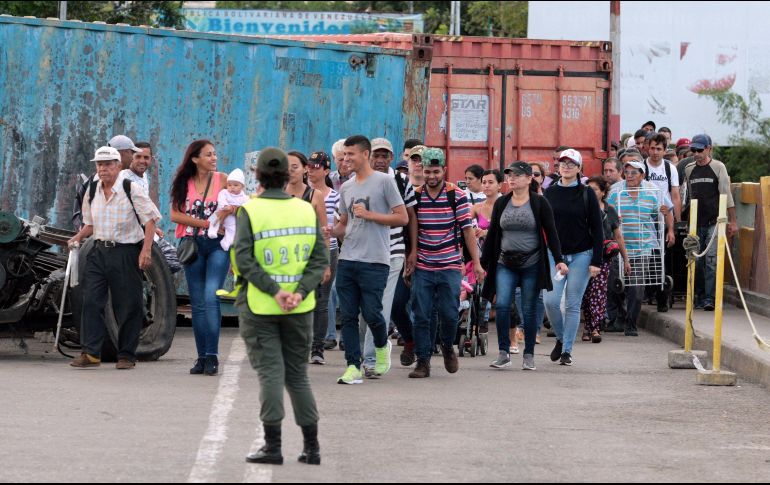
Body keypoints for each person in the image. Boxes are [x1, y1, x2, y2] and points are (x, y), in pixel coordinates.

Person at [234, 147, 328, 466]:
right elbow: (320, 260)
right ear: (287, 175)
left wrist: (275, 292)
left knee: (271, 374)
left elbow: (243, 259)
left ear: (258, 175)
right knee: (298, 376)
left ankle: (272, 446)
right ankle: (312, 448)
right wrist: (298, 292)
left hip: (261, 307)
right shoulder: (305, 210)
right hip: (300, 308)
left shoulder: (250, 210)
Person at [68, 146, 160, 370]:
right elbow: (90, 224)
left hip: (126, 252)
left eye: (108, 164)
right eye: (99, 165)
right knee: (91, 301)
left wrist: (146, 250)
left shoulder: (130, 188)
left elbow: (150, 220)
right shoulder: (92, 189)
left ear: (119, 166)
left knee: (128, 304)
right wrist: (77, 237)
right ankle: (91, 353)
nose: (103, 169)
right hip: (99, 251)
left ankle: (126, 355)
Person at [333, 135, 408, 385]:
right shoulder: (346, 187)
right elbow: (344, 224)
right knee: (348, 316)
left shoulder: (385, 182)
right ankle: (353, 366)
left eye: (350, 154)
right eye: (344, 155)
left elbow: (402, 218)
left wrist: (370, 215)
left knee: (372, 313)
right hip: (347, 258)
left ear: (365, 154)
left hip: (375, 259)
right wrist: (331, 231)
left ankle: (381, 345)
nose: (345, 159)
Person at [407, 148, 484, 379]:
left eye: (436, 172)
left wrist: (476, 263)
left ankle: (448, 346)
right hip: (423, 265)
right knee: (421, 314)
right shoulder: (416, 195)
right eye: (427, 172)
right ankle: (423, 361)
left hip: (449, 264)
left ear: (444, 170)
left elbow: (467, 231)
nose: (431, 176)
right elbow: (411, 228)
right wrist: (411, 255)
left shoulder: (456, 195)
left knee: (449, 313)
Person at [481, 161, 566, 371]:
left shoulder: (539, 203)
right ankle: (504, 353)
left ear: (529, 179)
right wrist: (480, 264)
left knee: (528, 308)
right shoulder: (502, 203)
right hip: (505, 262)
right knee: (502, 305)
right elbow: (493, 235)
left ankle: (529, 354)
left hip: (532, 262)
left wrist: (559, 259)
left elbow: (552, 233)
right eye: (509, 175)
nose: (512, 179)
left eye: (517, 175)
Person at [171, 140, 233, 376]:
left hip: (218, 245)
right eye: (208, 155)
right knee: (196, 304)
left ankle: (212, 355)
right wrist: (206, 223)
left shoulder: (223, 179)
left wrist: (230, 211)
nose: (214, 158)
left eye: (214, 154)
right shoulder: (183, 182)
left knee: (210, 297)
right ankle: (201, 357)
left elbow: (240, 203)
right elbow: (175, 215)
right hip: (192, 245)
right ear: (195, 159)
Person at [358, 138, 418, 377]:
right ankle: (371, 350)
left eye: (385, 156)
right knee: (365, 308)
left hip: (393, 251)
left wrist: (412, 251)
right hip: (364, 252)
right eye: (376, 155)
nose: (380, 160)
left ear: (392, 158)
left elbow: (411, 217)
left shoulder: (401, 181)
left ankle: (371, 359)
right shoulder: (359, 180)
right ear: (368, 156)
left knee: (381, 307)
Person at [543, 149, 604, 367]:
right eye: (563, 163)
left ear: (579, 168)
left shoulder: (587, 193)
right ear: (558, 166)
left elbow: (597, 229)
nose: (566, 167)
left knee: (572, 304)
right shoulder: (549, 192)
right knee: (550, 301)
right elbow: (543, 226)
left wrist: (597, 261)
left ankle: (567, 350)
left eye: (571, 163)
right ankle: (561, 338)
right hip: (554, 254)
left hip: (582, 254)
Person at [608, 157, 675, 336]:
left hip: (643, 246)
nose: (629, 176)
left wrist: (670, 228)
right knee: (615, 285)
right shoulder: (615, 191)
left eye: (633, 173)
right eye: (627, 172)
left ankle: (631, 324)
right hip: (618, 247)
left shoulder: (653, 191)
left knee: (637, 288)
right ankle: (619, 316)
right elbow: (605, 213)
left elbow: (667, 210)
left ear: (642, 175)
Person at [681, 134, 738, 311]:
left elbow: (726, 195)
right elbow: (687, 195)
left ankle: (709, 297)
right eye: (694, 150)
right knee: (696, 261)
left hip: (714, 221)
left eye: (700, 150)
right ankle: (698, 295)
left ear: (709, 149)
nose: (696, 153)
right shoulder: (689, 169)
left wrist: (732, 221)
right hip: (695, 221)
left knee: (711, 260)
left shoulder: (718, 167)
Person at [581, 176, 630, 343]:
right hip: (582, 256)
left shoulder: (610, 210)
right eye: (588, 189)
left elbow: (618, 236)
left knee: (598, 292)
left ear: (603, 192)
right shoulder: (581, 208)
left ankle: (595, 328)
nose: (590, 192)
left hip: (603, 257)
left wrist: (626, 259)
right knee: (585, 293)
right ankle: (588, 326)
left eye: (595, 189)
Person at [305, 151, 340, 362]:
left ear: (326, 171)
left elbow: (340, 224)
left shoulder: (335, 197)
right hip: (303, 251)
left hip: (328, 250)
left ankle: (317, 348)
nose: (310, 170)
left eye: (315, 167)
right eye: (309, 166)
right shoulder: (302, 193)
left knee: (322, 300)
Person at [468, 169, 503, 346]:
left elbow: (506, 229)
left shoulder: (505, 205)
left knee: (504, 297)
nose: (486, 186)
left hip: (502, 255)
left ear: (500, 185)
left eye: (491, 182)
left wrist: (486, 232)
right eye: (484, 182)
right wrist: (472, 230)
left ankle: (513, 332)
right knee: (478, 289)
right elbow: (464, 225)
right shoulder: (476, 207)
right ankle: (480, 322)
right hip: (482, 255)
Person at [208, 169, 249, 251]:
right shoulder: (224, 192)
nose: (232, 187)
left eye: (236, 185)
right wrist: (225, 206)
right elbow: (221, 199)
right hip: (221, 211)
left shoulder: (244, 197)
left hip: (232, 218)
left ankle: (226, 243)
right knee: (212, 219)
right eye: (229, 185)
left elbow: (246, 207)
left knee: (233, 230)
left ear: (242, 186)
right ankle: (212, 232)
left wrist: (233, 209)